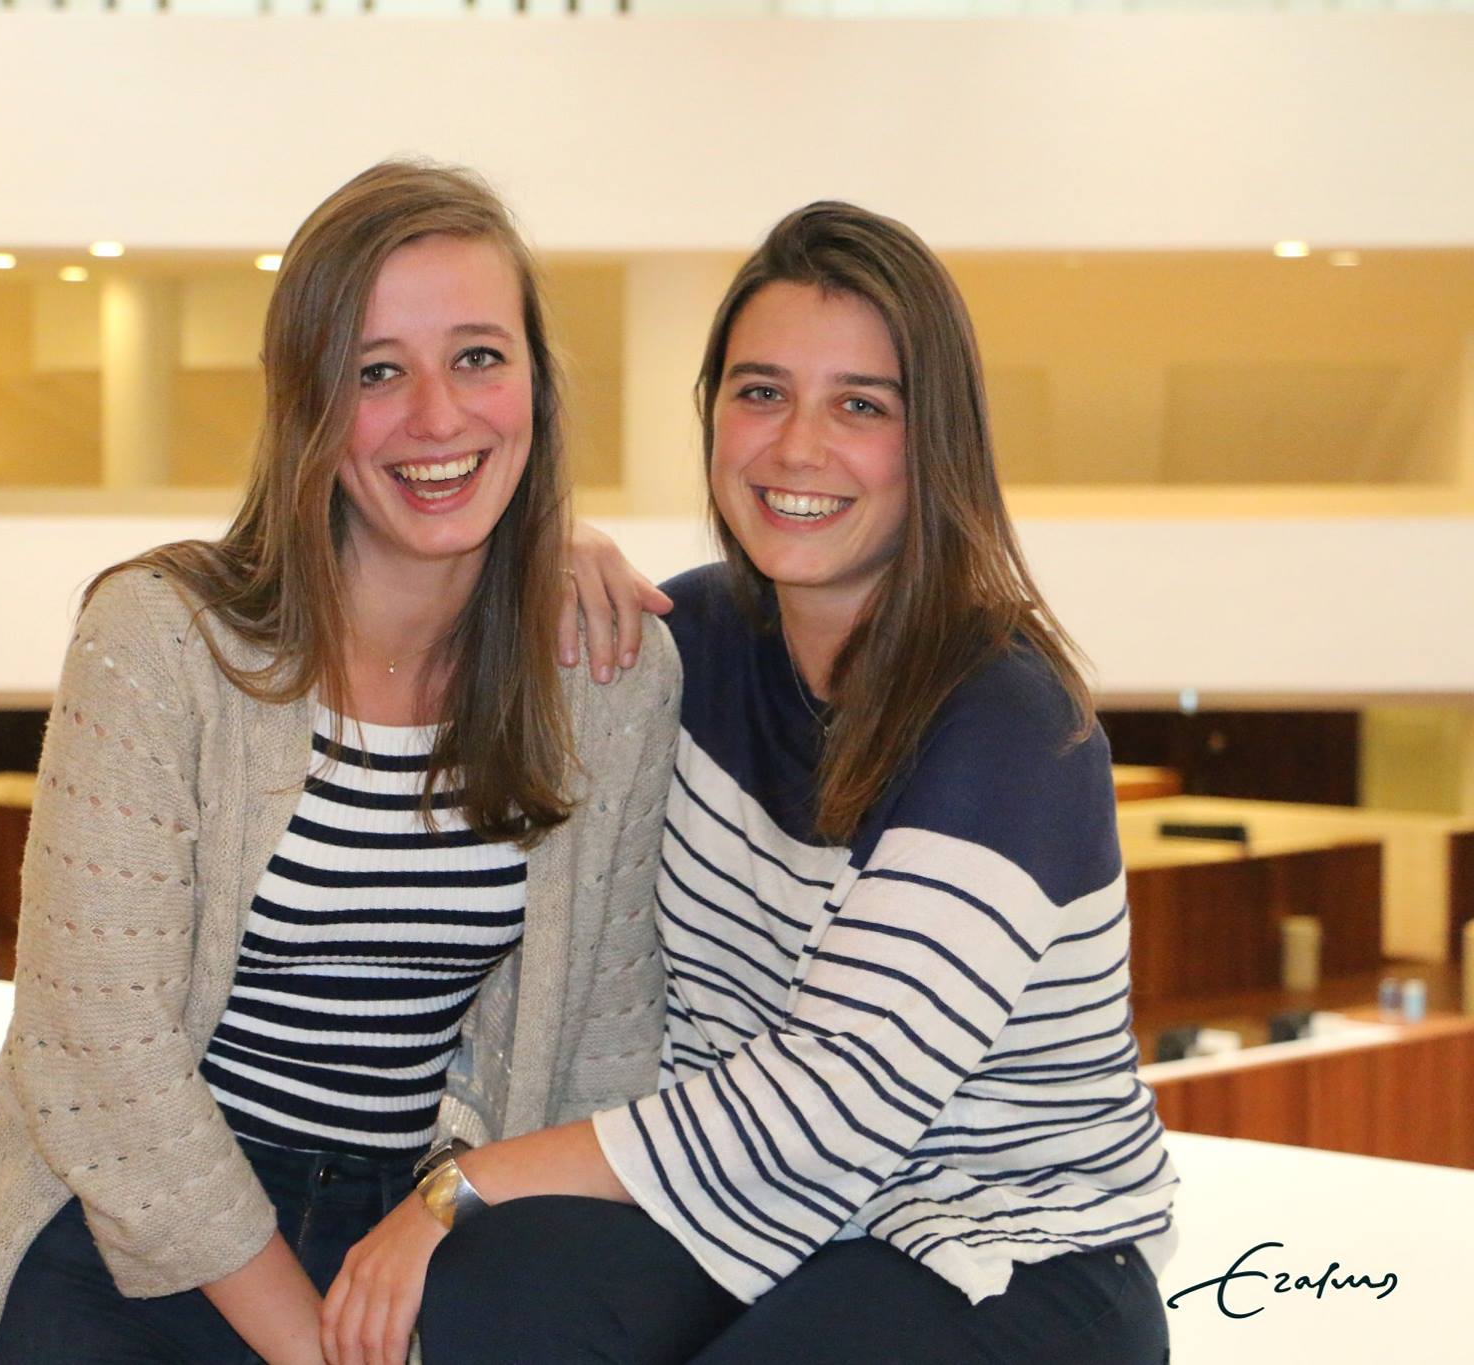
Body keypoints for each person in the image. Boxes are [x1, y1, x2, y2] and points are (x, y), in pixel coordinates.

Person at [325, 202, 1179, 1365]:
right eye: (760, 392)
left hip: (997, 1246)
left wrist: (462, 1184)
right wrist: (545, 561)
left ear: (935, 443)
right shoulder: (687, 647)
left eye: (859, 406)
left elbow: (835, 1096)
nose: (795, 449)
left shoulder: (1004, 725)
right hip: (750, 1220)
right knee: (496, 1286)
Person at [0, 160, 679, 1365]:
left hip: (403, 1241)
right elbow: (97, 1049)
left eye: (477, 356)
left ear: (535, 380)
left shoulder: (602, 676)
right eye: (375, 372)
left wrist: (456, 1224)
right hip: (127, 1238)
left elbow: (604, 1056)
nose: (437, 417)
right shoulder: (162, 640)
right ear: (304, 399)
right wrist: (306, 1342)